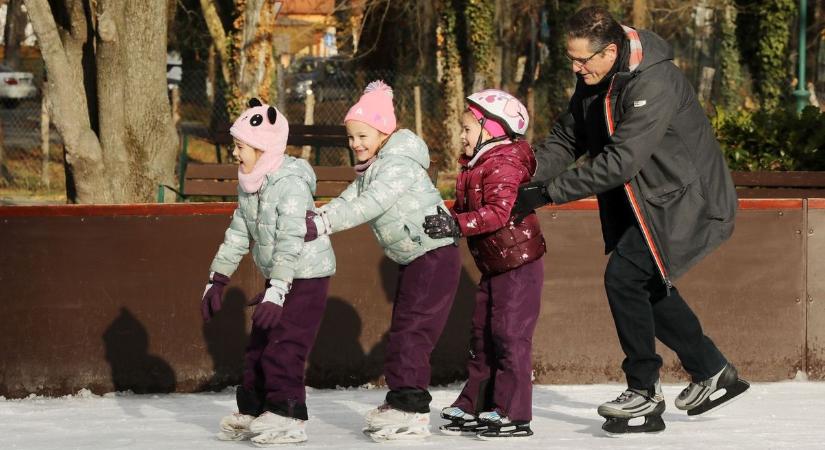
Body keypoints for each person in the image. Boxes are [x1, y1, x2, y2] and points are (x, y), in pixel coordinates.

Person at [510, 6, 749, 434]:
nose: (576, 68)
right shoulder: (596, 75)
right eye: (571, 59)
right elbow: (568, 137)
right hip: (643, 199)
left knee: (624, 279)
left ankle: (643, 391)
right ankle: (713, 370)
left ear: (612, 50)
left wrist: (547, 193)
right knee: (645, 285)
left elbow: (620, 161)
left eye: (583, 60)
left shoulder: (654, 81)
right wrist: (520, 176)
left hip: (684, 201)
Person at [306, 80, 461, 442]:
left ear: (384, 132)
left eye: (363, 136)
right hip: (417, 255)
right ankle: (402, 400)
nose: (356, 144)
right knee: (405, 329)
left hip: (433, 255)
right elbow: (350, 197)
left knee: (411, 332)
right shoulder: (376, 164)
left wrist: (325, 223)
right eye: (351, 138)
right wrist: (317, 217)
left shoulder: (397, 165)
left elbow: (372, 202)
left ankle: (410, 408)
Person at [200, 98, 336, 445]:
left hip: (305, 275)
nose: (235, 153)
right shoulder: (250, 183)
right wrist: (218, 278)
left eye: (241, 146)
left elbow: (291, 239)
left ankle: (287, 413)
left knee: (284, 345)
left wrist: (277, 289)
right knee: (259, 344)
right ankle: (255, 407)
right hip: (280, 276)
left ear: (265, 147)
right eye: (236, 145)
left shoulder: (290, 183)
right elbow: (238, 233)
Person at [423, 89, 545, 439]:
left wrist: (456, 225)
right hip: (495, 264)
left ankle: (513, 412)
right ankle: (476, 404)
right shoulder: (476, 164)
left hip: (518, 264)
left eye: (466, 128)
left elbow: (497, 213)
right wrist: (443, 217)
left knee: (510, 335)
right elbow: (465, 210)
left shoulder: (503, 162)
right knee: (482, 334)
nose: (460, 135)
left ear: (491, 129)